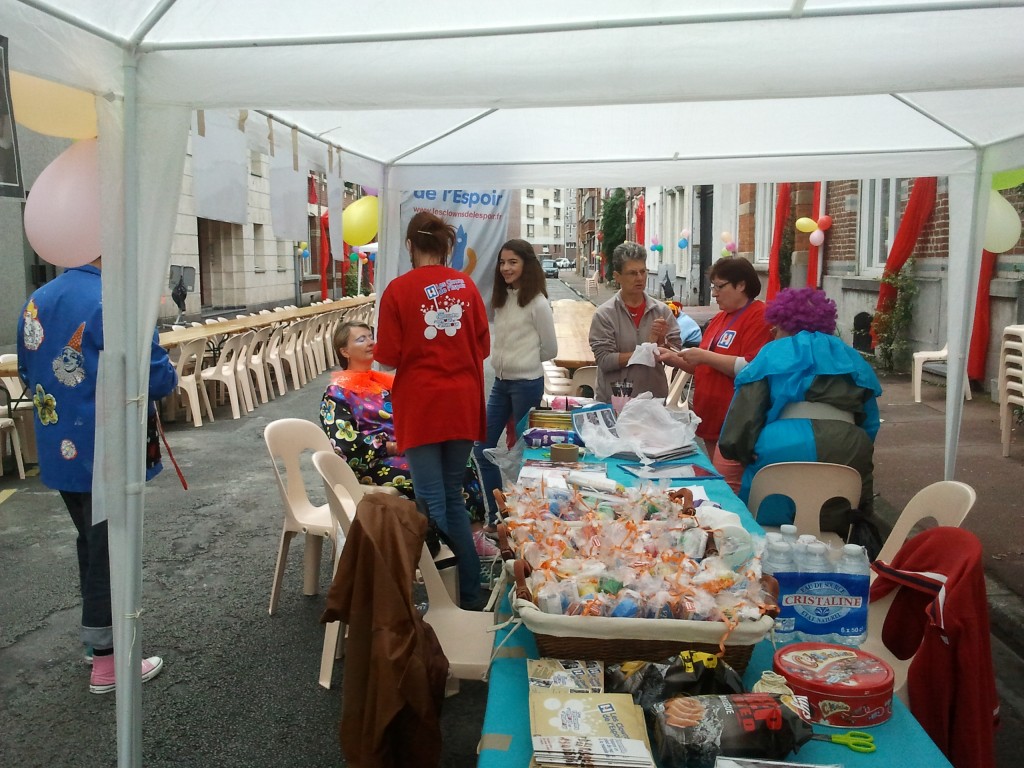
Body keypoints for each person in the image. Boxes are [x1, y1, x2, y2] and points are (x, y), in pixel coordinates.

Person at [16, 257, 178, 694]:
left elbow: (27, 371)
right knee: (110, 548)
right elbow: (156, 377)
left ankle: (96, 645)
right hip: (108, 447)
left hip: (58, 446)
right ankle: (107, 661)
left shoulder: (38, 298)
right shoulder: (116, 300)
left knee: (92, 543)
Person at [374, 211, 491, 610]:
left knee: (432, 501)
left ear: (410, 246)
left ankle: (456, 597)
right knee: (451, 498)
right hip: (462, 402)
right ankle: (464, 593)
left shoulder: (397, 290)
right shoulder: (467, 287)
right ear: (445, 247)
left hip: (423, 405)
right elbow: (482, 347)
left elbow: (387, 357)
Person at [319, 320, 494, 555]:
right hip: (372, 463)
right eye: (361, 339)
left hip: (405, 448)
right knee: (432, 474)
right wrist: (391, 446)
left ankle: (472, 534)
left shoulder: (382, 383)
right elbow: (345, 444)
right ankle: (440, 546)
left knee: (459, 460)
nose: (371, 342)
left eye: (371, 337)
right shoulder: (337, 392)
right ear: (344, 351)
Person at [717, 287, 882, 534]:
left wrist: (742, 450)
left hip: (781, 444)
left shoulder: (773, 352)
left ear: (784, 323)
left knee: (769, 522)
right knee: (832, 523)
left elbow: (742, 422)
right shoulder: (851, 356)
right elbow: (869, 424)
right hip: (849, 445)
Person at [657, 256, 772, 488]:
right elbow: (704, 365)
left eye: (720, 287)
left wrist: (704, 356)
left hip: (735, 421)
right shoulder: (720, 318)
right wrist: (673, 358)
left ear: (741, 285)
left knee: (727, 487)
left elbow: (751, 368)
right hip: (710, 417)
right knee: (718, 480)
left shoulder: (759, 317)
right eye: (713, 287)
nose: (715, 294)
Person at [474, 238, 557, 529]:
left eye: (513, 262)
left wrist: (526, 363)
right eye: (502, 262)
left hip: (527, 385)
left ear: (526, 264)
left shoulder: (538, 303)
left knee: (524, 454)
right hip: (500, 383)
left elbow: (551, 349)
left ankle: (526, 520)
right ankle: (499, 515)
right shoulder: (503, 298)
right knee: (482, 447)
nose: (506, 268)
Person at [588, 241, 681, 403]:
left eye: (642, 271)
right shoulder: (605, 315)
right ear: (617, 277)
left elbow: (675, 353)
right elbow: (605, 360)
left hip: (652, 401)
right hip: (615, 402)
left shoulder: (661, 311)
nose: (639, 278)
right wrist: (646, 350)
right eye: (632, 273)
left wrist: (661, 343)